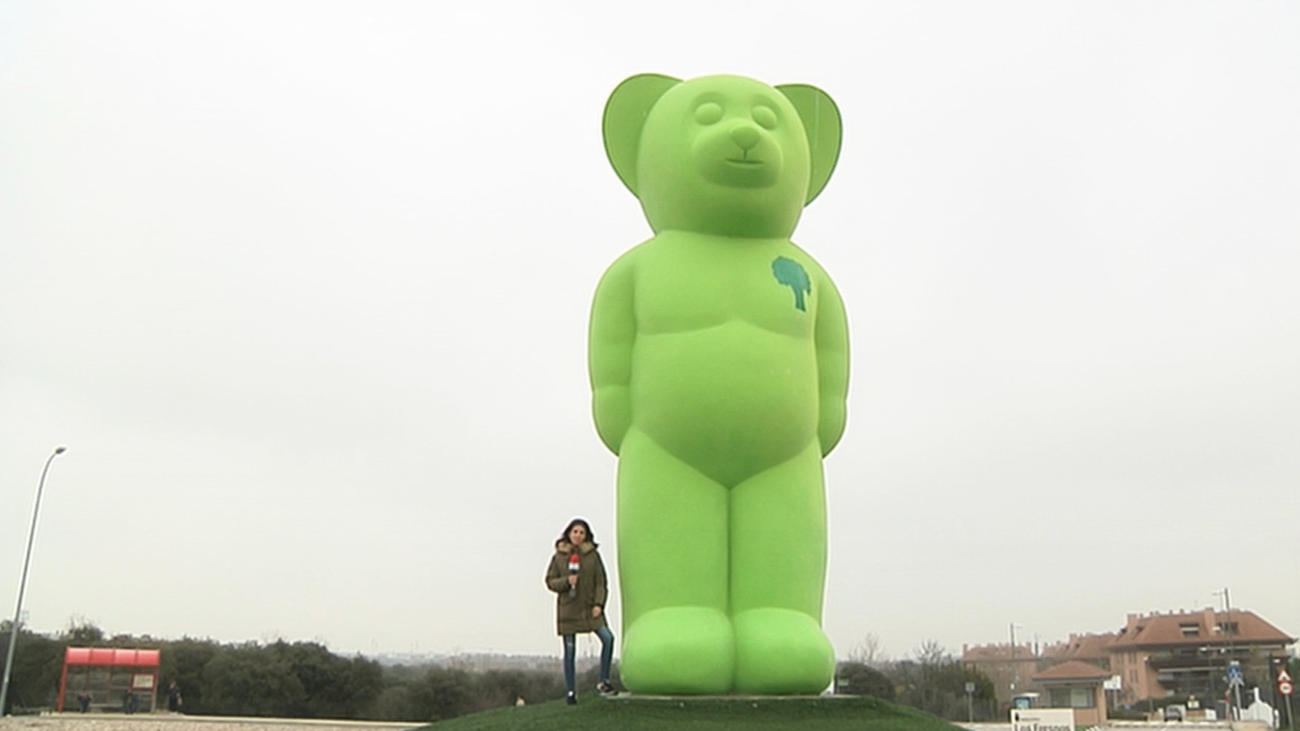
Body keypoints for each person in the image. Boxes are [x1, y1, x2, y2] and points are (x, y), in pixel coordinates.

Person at [545, 518, 615, 704]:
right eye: (575, 532)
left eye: (581, 532)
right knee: (570, 650)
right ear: (568, 533)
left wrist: (599, 604)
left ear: (586, 536)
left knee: (608, 639)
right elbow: (550, 581)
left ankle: (603, 681)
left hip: (591, 608)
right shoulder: (559, 556)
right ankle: (570, 691)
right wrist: (566, 582)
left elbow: (601, 582)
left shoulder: (593, 556)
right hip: (568, 610)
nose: (578, 535)